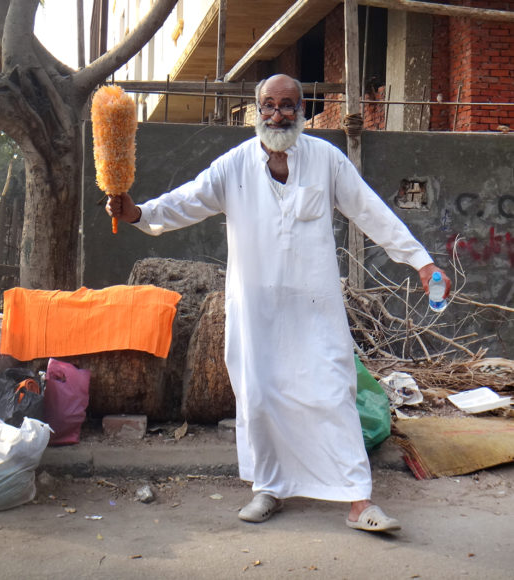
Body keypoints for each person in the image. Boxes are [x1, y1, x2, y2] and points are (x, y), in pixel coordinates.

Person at [107, 74, 451, 533]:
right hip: (256, 310)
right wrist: (138, 213)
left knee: (333, 392)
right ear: (257, 110)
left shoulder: (327, 160)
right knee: (260, 395)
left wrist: (421, 262)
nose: (278, 114)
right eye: (269, 105)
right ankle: (268, 488)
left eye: (288, 105)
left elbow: (371, 211)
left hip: (316, 309)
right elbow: (187, 200)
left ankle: (357, 500)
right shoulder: (234, 166)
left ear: (302, 109)